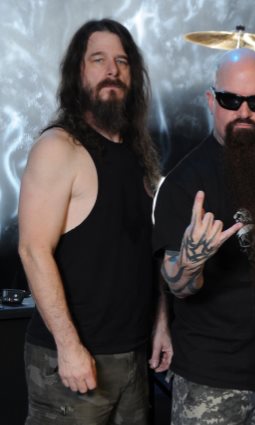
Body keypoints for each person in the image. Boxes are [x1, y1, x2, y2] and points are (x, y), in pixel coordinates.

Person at [18, 18, 172, 424]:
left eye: (122, 61)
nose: (112, 70)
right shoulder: (58, 147)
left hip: (132, 358)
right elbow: (33, 250)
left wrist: (160, 323)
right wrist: (69, 347)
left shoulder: (138, 152)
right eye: (98, 59)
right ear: (78, 71)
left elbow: (145, 250)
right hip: (72, 362)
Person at [152, 48, 255, 425]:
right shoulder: (184, 183)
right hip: (210, 378)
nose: (244, 112)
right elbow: (179, 286)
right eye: (230, 100)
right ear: (211, 101)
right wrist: (191, 260)